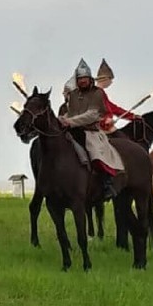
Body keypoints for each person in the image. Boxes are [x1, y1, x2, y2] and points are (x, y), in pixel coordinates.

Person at [58, 59, 125, 200]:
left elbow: (92, 114)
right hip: (73, 131)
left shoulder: (97, 93)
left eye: (84, 78)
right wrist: (61, 119)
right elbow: (71, 113)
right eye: (80, 79)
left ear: (90, 79)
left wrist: (69, 121)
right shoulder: (74, 95)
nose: (82, 81)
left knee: (95, 154)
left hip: (91, 132)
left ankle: (107, 184)